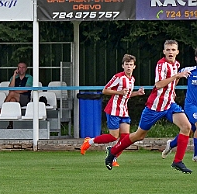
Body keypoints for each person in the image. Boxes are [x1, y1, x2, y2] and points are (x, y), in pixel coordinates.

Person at [105, 40, 193, 174]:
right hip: (155, 106)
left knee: (187, 127)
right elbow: (158, 84)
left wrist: (173, 90)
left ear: (177, 52)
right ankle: (113, 152)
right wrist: (176, 75)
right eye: (168, 50)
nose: (170, 52)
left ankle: (177, 161)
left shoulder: (177, 64)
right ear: (164, 51)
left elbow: (173, 81)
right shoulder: (161, 65)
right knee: (139, 136)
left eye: (173, 50)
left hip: (169, 104)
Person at [80, 54, 145, 167]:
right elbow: (105, 90)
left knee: (125, 138)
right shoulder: (118, 77)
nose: (128, 67)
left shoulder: (132, 79)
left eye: (131, 65)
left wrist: (137, 93)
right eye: (126, 65)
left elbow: (126, 95)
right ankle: (89, 141)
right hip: (113, 110)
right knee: (113, 137)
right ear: (122, 66)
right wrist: (118, 92)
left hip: (124, 110)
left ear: (134, 66)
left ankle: (113, 156)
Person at [162, 48, 197, 162]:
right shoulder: (190, 70)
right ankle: (196, 155)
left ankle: (171, 144)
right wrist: (172, 91)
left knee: (191, 128)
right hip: (191, 105)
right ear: (196, 58)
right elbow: (176, 77)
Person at [4, 62, 33, 129]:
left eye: (23, 67)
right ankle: (11, 124)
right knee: (12, 100)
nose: (21, 69)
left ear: (26, 69)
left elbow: (26, 90)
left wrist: (14, 92)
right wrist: (14, 75)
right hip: (16, 98)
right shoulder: (14, 77)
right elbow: (10, 88)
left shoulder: (29, 77)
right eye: (19, 67)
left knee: (12, 94)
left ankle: (1, 109)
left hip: (25, 98)